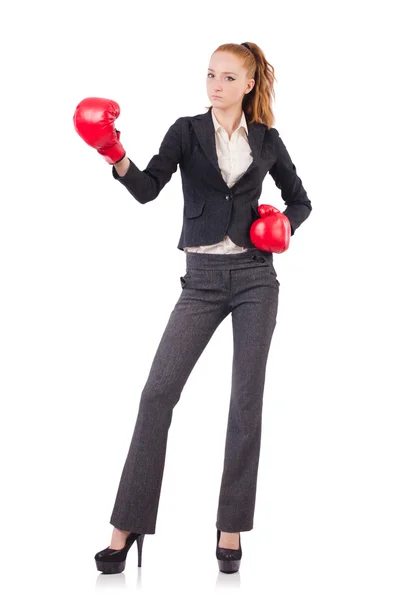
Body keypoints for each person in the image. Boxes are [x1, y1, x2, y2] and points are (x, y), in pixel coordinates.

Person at [73, 41, 312, 575]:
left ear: (248, 85)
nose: (215, 85)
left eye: (228, 78)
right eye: (210, 75)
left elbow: (301, 199)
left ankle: (231, 526)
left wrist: (283, 227)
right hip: (200, 282)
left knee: (245, 402)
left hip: (256, 279)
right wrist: (114, 154)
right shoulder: (185, 131)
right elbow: (147, 189)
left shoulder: (268, 140)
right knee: (157, 394)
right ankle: (127, 525)